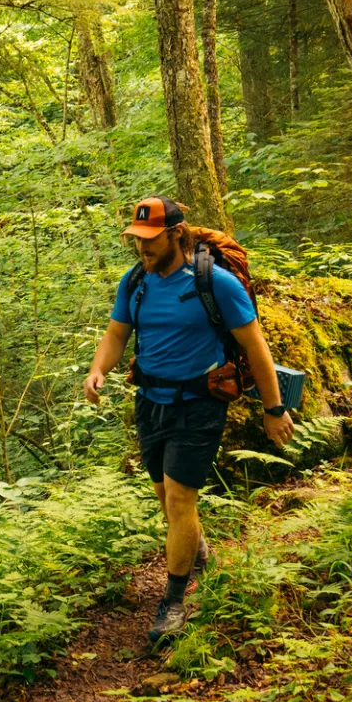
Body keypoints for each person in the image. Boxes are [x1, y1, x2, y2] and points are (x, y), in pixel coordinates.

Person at [82, 197, 295, 644]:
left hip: (199, 402)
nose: (141, 248)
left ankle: (174, 601)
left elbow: (256, 349)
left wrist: (273, 409)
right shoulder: (135, 282)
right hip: (150, 401)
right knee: (166, 497)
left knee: (179, 500)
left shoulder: (214, 284)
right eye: (136, 240)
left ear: (175, 234)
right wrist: (98, 368)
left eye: (149, 239)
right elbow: (117, 333)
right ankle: (199, 553)